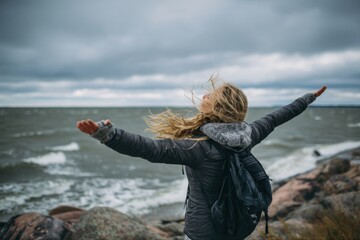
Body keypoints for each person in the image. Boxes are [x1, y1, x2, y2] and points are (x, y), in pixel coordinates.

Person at [76, 78, 326, 240]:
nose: (205, 96)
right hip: (238, 225)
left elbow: (151, 149)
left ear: (218, 109)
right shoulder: (248, 134)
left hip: (203, 233)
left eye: (210, 96)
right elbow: (277, 117)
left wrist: (108, 134)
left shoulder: (199, 147)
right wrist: (307, 99)